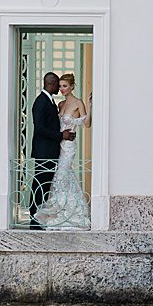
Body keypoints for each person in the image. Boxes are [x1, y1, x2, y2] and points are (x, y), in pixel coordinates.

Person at [37, 71, 92, 229]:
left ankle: (65, 212)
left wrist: (89, 106)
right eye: (60, 86)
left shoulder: (78, 103)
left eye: (65, 86)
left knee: (62, 174)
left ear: (72, 87)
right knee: (61, 176)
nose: (61, 89)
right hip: (57, 145)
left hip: (68, 147)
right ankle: (64, 209)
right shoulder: (60, 105)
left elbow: (87, 124)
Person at [28, 72, 62, 227]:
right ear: (52, 83)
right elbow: (40, 129)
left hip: (49, 151)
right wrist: (61, 136)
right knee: (40, 183)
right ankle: (34, 215)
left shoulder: (49, 101)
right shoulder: (41, 101)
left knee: (45, 183)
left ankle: (40, 215)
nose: (59, 88)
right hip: (44, 151)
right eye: (58, 84)